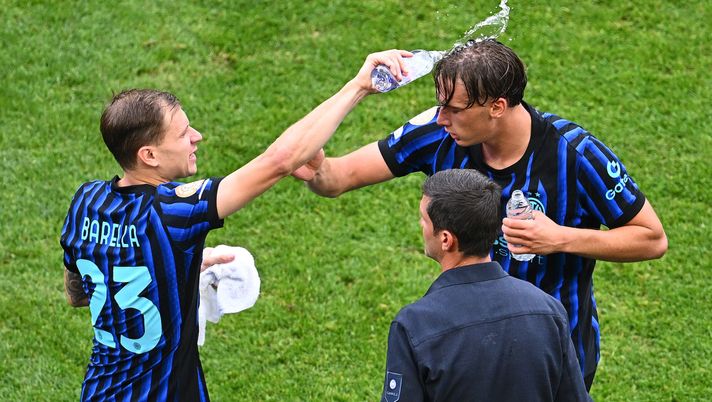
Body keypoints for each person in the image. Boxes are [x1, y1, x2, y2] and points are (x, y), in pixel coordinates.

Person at [294, 39, 668, 389]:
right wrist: (318, 167)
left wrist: (561, 239)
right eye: (441, 105)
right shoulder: (438, 132)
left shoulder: (576, 153)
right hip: (465, 345)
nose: (441, 118)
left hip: (553, 352)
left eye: (455, 110)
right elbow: (337, 179)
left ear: (497, 107)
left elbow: (651, 238)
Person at [60, 50, 412, 401]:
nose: (196, 137)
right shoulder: (173, 212)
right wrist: (359, 86)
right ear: (148, 155)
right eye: (183, 134)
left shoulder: (86, 201)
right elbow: (279, 161)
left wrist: (174, 269)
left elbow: (77, 293)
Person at [381, 169, 591, 401]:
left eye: (424, 218)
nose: (421, 224)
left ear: (445, 239)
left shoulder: (414, 326)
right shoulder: (549, 311)